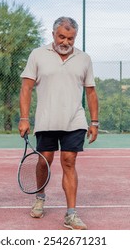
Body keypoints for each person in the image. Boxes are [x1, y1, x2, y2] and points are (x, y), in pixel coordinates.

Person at [18, 17, 99, 230]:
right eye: (62, 36)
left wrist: (95, 122)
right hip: (46, 119)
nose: (65, 41)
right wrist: (24, 118)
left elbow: (91, 91)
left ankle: (71, 214)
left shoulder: (84, 58)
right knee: (44, 160)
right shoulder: (37, 54)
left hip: (75, 119)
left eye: (70, 38)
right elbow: (26, 88)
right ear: (53, 34)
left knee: (69, 162)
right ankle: (40, 197)